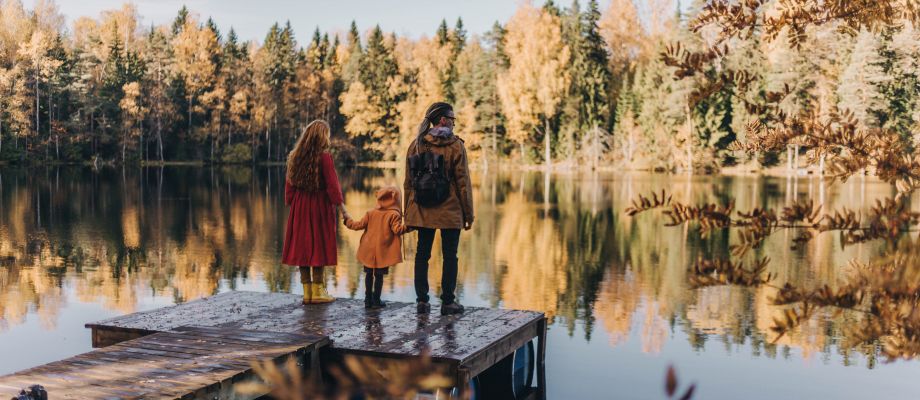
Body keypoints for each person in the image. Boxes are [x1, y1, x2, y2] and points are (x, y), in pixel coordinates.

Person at [404, 102, 474, 315]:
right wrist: (468, 213)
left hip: (423, 209)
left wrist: (407, 212)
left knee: (422, 254)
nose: (454, 123)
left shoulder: (417, 144)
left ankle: (422, 301)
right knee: (450, 255)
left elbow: (408, 182)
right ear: (443, 120)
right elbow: (463, 183)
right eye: (452, 119)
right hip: (450, 210)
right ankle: (447, 302)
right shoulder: (455, 146)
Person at [282, 119, 349, 305]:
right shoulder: (324, 157)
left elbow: (289, 187)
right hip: (318, 205)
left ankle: (307, 292)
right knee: (319, 246)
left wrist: (292, 203)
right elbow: (333, 187)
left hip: (299, 206)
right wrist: (343, 210)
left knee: (303, 248)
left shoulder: (294, 156)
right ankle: (318, 291)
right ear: (322, 136)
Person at [343, 186, 412, 309]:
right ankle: (376, 300)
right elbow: (398, 230)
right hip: (382, 252)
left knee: (368, 274)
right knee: (379, 276)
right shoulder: (394, 215)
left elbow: (357, 225)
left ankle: (367, 299)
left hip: (368, 250)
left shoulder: (371, 213)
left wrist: (347, 220)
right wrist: (411, 226)